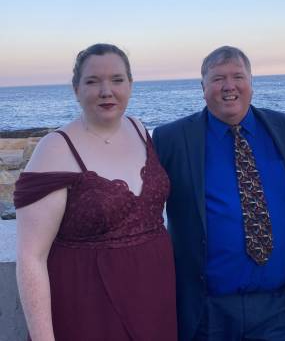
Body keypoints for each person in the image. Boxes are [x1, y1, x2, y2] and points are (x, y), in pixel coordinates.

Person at [14, 44, 177, 341]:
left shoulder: (139, 129)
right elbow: (31, 257)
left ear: (130, 85)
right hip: (88, 306)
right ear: (76, 89)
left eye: (117, 80)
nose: (106, 91)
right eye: (92, 81)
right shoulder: (55, 149)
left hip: (155, 296)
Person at [153, 46, 285, 340]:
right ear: (203, 87)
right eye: (218, 78)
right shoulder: (171, 139)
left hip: (278, 309)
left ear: (251, 82)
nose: (229, 86)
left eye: (238, 76)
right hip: (207, 311)